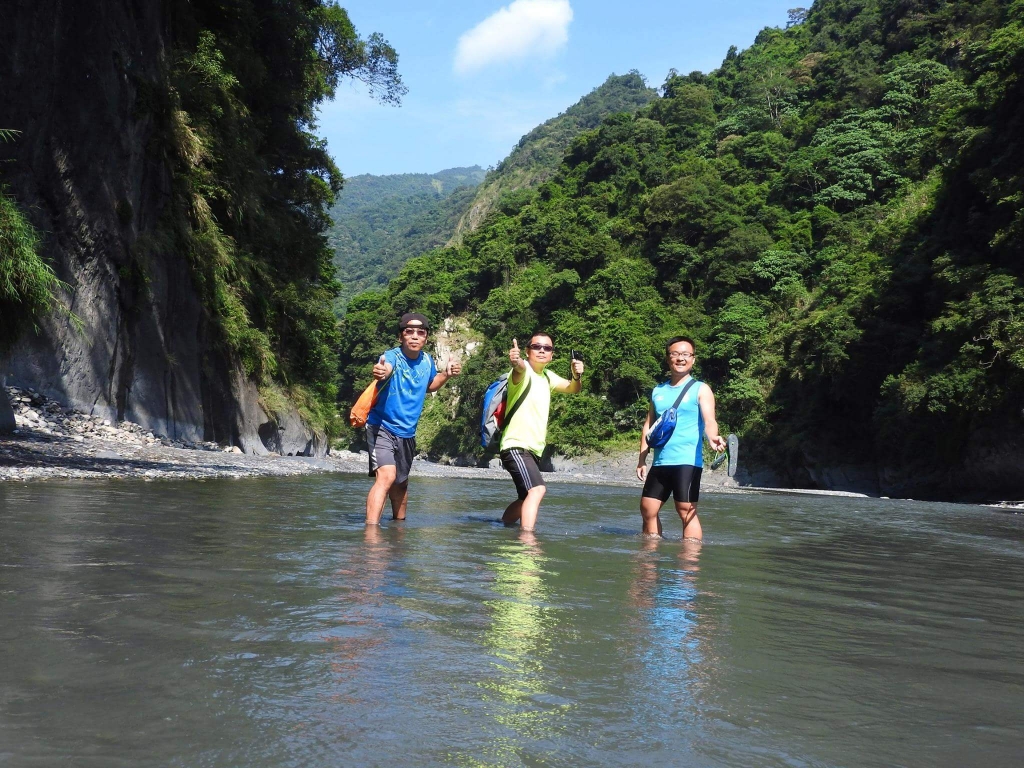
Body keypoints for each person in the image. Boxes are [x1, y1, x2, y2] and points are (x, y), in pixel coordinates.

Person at [365, 313, 461, 525]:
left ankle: (398, 530)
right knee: (387, 477)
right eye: (409, 332)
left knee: (401, 483)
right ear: (401, 337)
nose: (415, 336)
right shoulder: (391, 357)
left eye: (421, 332)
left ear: (426, 338)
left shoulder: (427, 360)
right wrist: (381, 372)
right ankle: (371, 533)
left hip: (408, 432)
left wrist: (446, 374)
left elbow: (429, 385)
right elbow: (385, 369)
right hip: (382, 426)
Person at [636, 336, 726, 540]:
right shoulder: (658, 391)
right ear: (668, 359)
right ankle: (650, 554)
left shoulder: (701, 389)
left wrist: (713, 437)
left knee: (686, 509)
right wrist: (642, 459)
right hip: (661, 461)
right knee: (648, 508)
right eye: (675, 354)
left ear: (693, 359)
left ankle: (689, 561)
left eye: (686, 355)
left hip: (687, 461)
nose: (680, 358)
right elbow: (649, 425)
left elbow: (709, 419)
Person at [499, 334, 584, 531]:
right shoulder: (523, 372)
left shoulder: (547, 376)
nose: (542, 350)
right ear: (528, 351)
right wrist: (516, 361)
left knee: (524, 499)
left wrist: (576, 375)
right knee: (537, 490)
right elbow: (518, 368)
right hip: (516, 445)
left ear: (552, 355)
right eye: (536, 346)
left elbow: (573, 388)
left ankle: (501, 527)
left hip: (534, 450)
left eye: (547, 348)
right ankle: (527, 540)